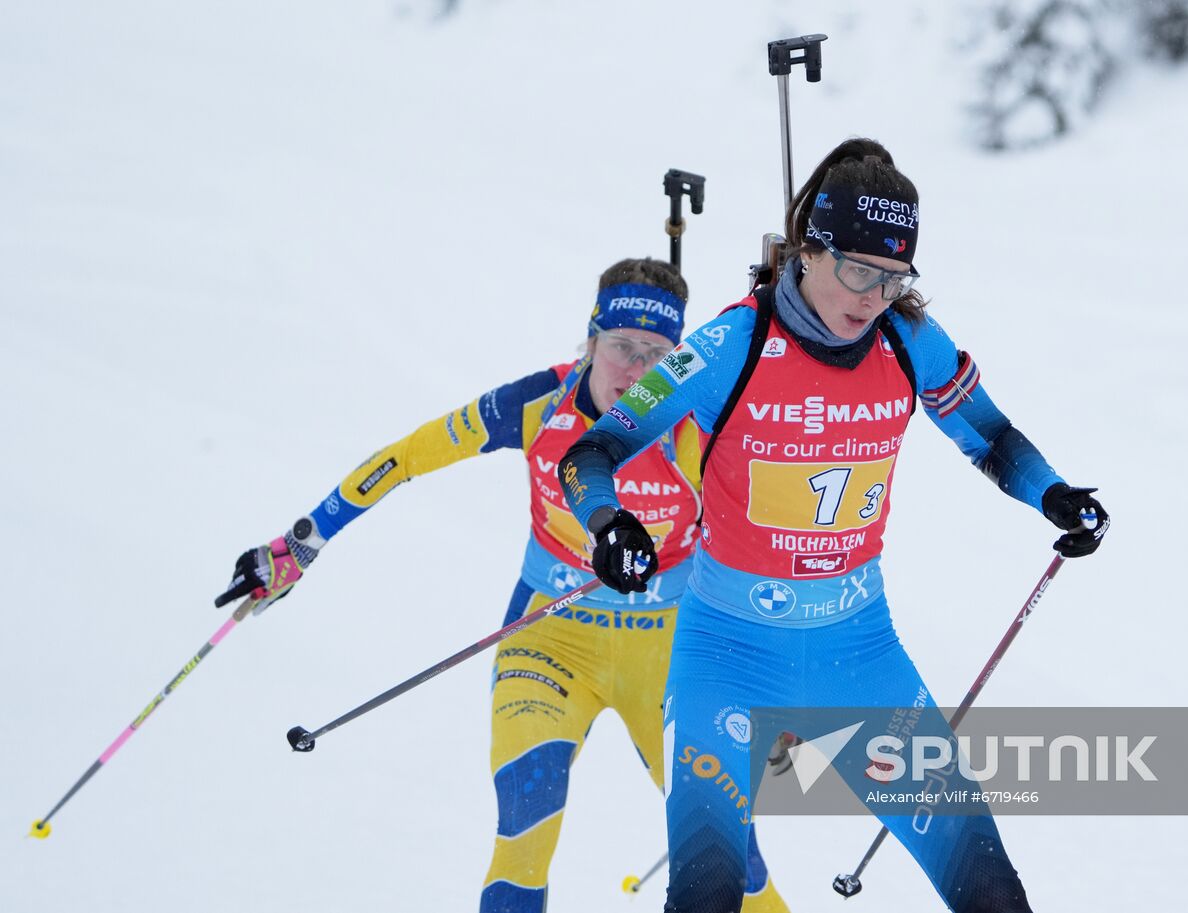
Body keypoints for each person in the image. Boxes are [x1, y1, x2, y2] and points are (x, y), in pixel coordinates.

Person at [558, 140, 1109, 913]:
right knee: (708, 894)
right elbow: (592, 452)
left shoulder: (908, 342)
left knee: (991, 891)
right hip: (728, 658)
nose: (873, 296)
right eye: (857, 269)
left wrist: (1054, 495)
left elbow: (989, 436)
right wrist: (609, 522)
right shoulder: (730, 345)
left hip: (861, 655)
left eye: (894, 278)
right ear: (809, 250)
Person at [215, 258, 789, 913]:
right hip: (547, 644)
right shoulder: (538, 405)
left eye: (655, 354)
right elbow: (405, 457)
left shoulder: (698, 425)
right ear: (591, 339)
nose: (634, 369)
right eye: (621, 346)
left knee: (730, 848)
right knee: (525, 818)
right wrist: (302, 543)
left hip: (668, 654)